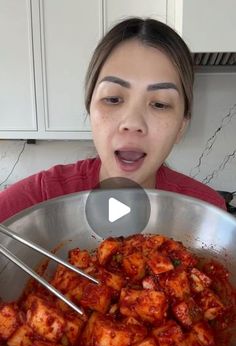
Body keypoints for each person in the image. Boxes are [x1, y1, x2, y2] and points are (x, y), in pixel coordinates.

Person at [0, 18, 225, 222]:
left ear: (181, 126)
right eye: (113, 99)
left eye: (160, 104)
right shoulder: (39, 199)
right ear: (90, 109)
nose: (133, 122)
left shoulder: (206, 212)